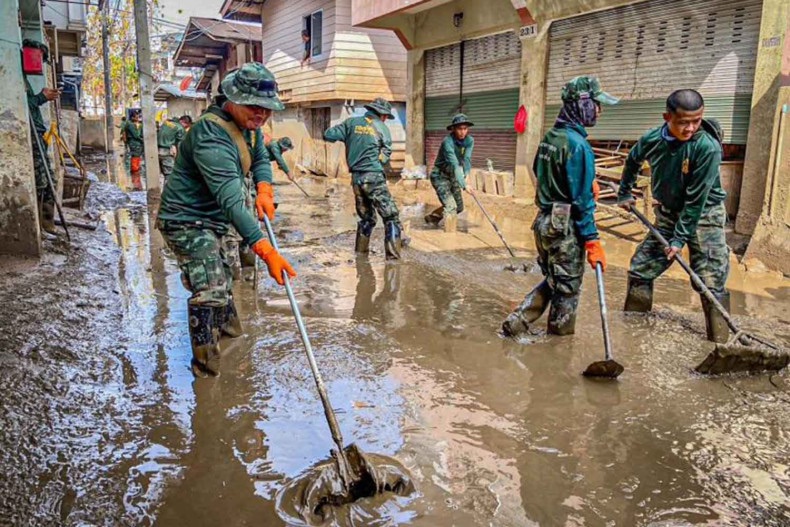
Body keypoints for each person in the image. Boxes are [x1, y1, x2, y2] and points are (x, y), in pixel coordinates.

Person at [157, 62, 296, 377]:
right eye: (254, 107)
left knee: (226, 279)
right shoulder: (211, 135)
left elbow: (260, 157)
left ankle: (232, 341)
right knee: (211, 290)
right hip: (187, 220)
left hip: (215, 219)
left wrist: (264, 187)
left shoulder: (249, 128)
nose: (261, 114)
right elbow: (232, 200)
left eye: (266, 109)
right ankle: (207, 375)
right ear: (232, 99)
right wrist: (264, 249)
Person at [502, 76, 618, 337]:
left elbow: (540, 170)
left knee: (557, 279)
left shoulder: (551, 137)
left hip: (544, 223)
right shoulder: (578, 145)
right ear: (582, 104)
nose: (599, 111)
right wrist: (592, 240)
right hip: (565, 228)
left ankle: (519, 320)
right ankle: (559, 344)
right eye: (597, 104)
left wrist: (583, 180)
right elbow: (582, 203)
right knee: (567, 288)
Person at [617, 89, 730, 343]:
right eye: (683, 122)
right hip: (668, 214)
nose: (690, 128)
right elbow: (633, 160)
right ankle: (633, 333)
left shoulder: (707, 147)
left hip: (705, 216)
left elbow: (696, 200)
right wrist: (624, 192)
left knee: (710, 280)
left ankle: (720, 344)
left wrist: (679, 239)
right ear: (667, 117)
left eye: (696, 121)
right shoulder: (652, 139)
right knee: (641, 269)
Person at [324, 98, 404, 259]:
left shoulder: (350, 123)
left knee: (367, 218)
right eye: (386, 117)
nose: (385, 119)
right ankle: (393, 261)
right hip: (373, 176)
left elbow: (328, 135)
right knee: (391, 217)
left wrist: (350, 136)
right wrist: (377, 162)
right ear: (382, 115)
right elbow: (385, 155)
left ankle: (360, 255)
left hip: (356, 179)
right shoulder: (382, 128)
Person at [22, 39, 61, 235]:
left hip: (38, 134)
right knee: (42, 182)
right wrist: (41, 97)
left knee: (50, 180)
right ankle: (40, 224)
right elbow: (24, 105)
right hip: (32, 136)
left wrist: (40, 97)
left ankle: (47, 222)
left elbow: (29, 103)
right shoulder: (16, 78)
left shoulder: (24, 80)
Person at [425, 114, 475, 232]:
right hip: (440, 176)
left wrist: (467, 176)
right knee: (451, 206)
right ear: (453, 129)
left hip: (453, 175)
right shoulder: (447, 142)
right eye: (459, 129)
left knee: (459, 207)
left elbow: (467, 159)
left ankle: (433, 217)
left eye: (465, 128)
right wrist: (464, 185)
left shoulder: (469, 140)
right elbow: (455, 164)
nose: (462, 132)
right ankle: (450, 234)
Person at [124, 110, 144, 174]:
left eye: (138, 117)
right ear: (132, 117)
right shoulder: (131, 125)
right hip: (134, 143)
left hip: (136, 143)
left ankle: (136, 170)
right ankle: (135, 171)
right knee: (135, 156)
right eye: (136, 117)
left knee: (137, 156)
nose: (138, 119)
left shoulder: (132, 124)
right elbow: (136, 135)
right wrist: (142, 140)